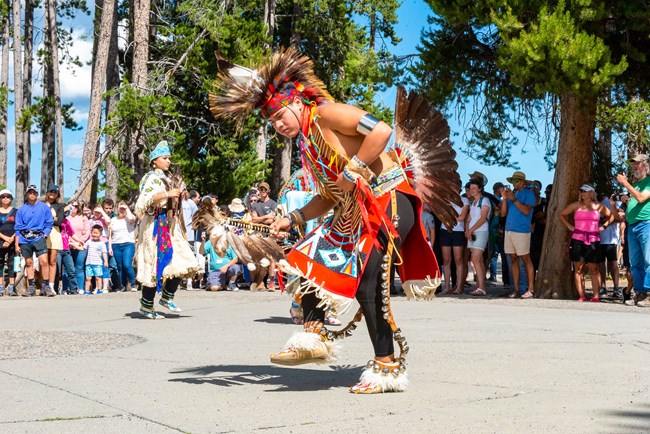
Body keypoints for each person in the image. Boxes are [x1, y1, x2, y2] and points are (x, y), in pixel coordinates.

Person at [211, 48, 458, 393]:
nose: (279, 126)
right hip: (353, 208)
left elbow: (382, 131)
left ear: (296, 102)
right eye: (272, 124)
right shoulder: (308, 145)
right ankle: (313, 336)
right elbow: (329, 195)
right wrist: (293, 217)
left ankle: (386, 366)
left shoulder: (326, 114)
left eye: (280, 117)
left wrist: (355, 169)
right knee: (306, 262)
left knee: (370, 283)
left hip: (388, 199)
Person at [134, 140, 200, 319]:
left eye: (169, 158)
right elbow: (144, 200)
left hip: (170, 223)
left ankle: (167, 296)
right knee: (154, 263)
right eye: (165, 158)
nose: (168, 161)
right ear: (155, 160)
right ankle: (146, 306)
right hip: (155, 223)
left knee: (185, 259)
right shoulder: (150, 178)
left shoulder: (167, 179)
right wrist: (167, 194)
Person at [559, 184, 613, 301]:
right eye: (581, 191)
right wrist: (569, 226)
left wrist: (603, 227)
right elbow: (561, 214)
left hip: (593, 239)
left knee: (594, 268)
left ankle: (595, 296)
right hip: (578, 239)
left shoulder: (598, 206)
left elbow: (611, 216)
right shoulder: (576, 205)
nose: (583, 193)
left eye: (586, 191)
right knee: (578, 269)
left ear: (591, 193)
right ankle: (581, 296)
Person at [616, 154, 650, 307]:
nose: (635, 166)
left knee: (649, 260)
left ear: (646, 165)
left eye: (638, 164)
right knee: (635, 262)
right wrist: (626, 199)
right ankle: (640, 292)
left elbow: (642, 198)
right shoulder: (636, 184)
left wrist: (625, 184)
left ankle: (648, 293)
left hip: (646, 224)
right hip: (633, 225)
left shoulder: (648, 182)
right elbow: (635, 201)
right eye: (634, 164)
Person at [500, 171, 536, 299]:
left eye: (516, 181)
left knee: (526, 259)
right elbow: (503, 214)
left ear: (522, 182)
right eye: (513, 181)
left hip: (522, 230)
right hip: (509, 230)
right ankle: (516, 288)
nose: (514, 184)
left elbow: (526, 211)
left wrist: (513, 199)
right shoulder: (512, 195)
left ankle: (530, 288)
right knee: (513, 259)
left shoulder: (529, 194)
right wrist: (505, 199)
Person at [14, 185, 54, 296]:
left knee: (44, 262)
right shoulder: (22, 209)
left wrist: (45, 234)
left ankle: (45, 286)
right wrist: (17, 243)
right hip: (25, 238)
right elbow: (18, 228)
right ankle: (31, 287)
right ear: (27, 194)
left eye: (34, 192)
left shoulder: (44, 207)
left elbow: (49, 222)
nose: (32, 194)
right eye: (30, 192)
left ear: (37, 194)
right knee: (28, 262)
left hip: (39, 237)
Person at [440, 190, 469, 295]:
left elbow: (462, 217)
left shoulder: (464, 200)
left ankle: (459, 287)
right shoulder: (445, 199)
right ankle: (447, 286)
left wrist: (449, 216)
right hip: (445, 230)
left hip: (458, 231)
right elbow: (441, 214)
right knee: (446, 260)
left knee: (458, 260)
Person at [250, 181, 278, 291]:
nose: (262, 192)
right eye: (261, 189)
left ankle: (271, 281)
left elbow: (272, 219)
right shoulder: (255, 204)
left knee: (271, 257)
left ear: (268, 191)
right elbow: (253, 219)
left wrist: (260, 219)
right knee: (259, 257)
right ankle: (260, 281)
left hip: (270, 232)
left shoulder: (273, 204)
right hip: (258, 233)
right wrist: (266, 216)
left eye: (264, 189)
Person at [465, 179, 492, 296]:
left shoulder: (484, 201)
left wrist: (470, 230)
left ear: (480, 189)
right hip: (472, 233)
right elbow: (469, 219)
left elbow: (483, 218)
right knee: (478, 260)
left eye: (474, 188)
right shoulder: (473, 203)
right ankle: (479, 286)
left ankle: (481, 287)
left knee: (475, 259)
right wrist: (467, 231)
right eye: (470, 188)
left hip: (481, 232)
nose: (471, 190)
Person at [109, 201, 137, 292]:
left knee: (127, 264)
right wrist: (110, 247)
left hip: (128, 244)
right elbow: (110, 235)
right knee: (120, 266)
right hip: (116, 244)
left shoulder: (129, 218)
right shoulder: (113, 220)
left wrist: (126, 208)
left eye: (123, 208)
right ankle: (122, 285)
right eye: (119, 208)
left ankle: (133, 283)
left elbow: (132, 218)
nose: (121, 210)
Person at [44, 184, 65, 294]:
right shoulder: (41, 204)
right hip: (42, 233)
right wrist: (53, 216)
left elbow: (59, 221)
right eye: (51, 191)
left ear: (57, 195)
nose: (53, 193)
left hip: (55, 232)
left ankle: (51, 285)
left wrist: (51, 217)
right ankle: (44, 284)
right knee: (43, 261)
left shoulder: (60, 206)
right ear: (47, 192)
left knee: (52, 261)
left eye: (55, 192)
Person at [67, 201, 91, 293]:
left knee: (79, 268)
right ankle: (67, 288)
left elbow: (87, 231)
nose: (74, 208)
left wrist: (80, 242)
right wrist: (70, 242)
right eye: (72, 206)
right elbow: (65, 232)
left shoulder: (83, 218)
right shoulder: (66, 218)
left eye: (76, 206)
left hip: (81, 245)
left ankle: (80, 287)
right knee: (68, 269)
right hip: (69, 245)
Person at [0, 189, 17, 296]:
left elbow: (19, 227)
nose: (5, 198)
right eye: (3, 196)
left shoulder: (16, 211)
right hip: (1, 240)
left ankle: (11, 286)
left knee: (12, 264)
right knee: (0, 264)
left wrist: (11, 239)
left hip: (13, 241)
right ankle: (1, 286)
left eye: (8, 196)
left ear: (11, 198)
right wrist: (5, 238)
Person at [84, 225, 109, 295]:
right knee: (88, 278)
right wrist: (75, 245)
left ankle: (99, 289)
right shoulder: (89, 242)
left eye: (96, 233)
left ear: (100, 234)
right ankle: (86, 290)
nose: (94, 234)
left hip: (98, 263)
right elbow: (83, 248)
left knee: (98, 277)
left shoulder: (102, 243)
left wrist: (106, 261)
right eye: (93, 233)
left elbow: (104, 253)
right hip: (89, 263)